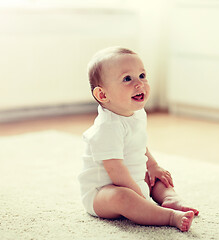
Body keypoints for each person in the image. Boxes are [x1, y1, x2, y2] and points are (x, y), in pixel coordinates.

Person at [78, 47, 199, 232]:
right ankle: (168, 216)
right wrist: (138, 195)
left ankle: (171, 200)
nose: (139, 83)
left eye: (142, 75)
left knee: (158, 179)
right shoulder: (107, 127)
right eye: (127, 79)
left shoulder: (137, 114)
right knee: (122, 197)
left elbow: (140, 144)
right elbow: (115, 170)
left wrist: (153, 166)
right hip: (103, 193)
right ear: (103, 95)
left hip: (134, 178)